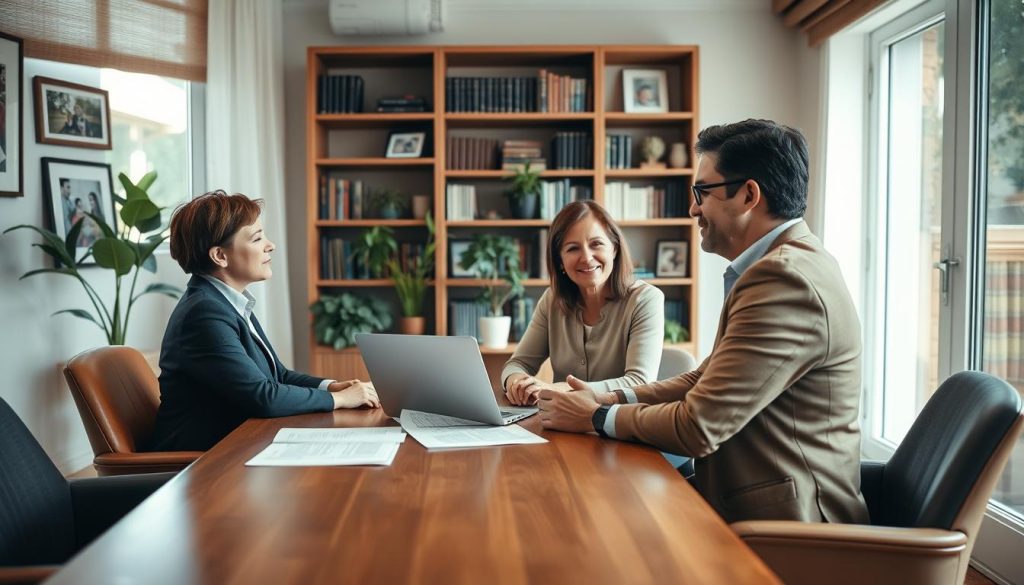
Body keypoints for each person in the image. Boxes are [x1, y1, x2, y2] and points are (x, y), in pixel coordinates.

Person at [536, 119, 869, 525]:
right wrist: (605, 398)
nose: (693, 207)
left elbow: (698, 426)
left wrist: (593, 417)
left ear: (749, 195)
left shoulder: (784, 279)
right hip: (747, 499)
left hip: (786, 527)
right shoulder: (785, 265)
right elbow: (702, 379)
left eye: (702, 192)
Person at [148, 190, 380, 451]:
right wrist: (339, 399)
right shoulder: (204, 314)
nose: (270, 245)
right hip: (202, 463)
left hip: (238, 445)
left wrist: (331, 387)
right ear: (220, 256)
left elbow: (277, 376)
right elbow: (263, 397)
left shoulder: (226, 301)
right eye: (257, 238)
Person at [502, 200, 664, 407]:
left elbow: (640, 383)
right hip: (562, 424)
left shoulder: (645, 299)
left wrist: (559, 389)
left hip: (621, 425)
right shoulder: (552, 300)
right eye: (572, 248)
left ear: (614, 248)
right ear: (560, 261)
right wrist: (516, 382)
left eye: (596, 244)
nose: (587, 258)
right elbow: (518, 363)